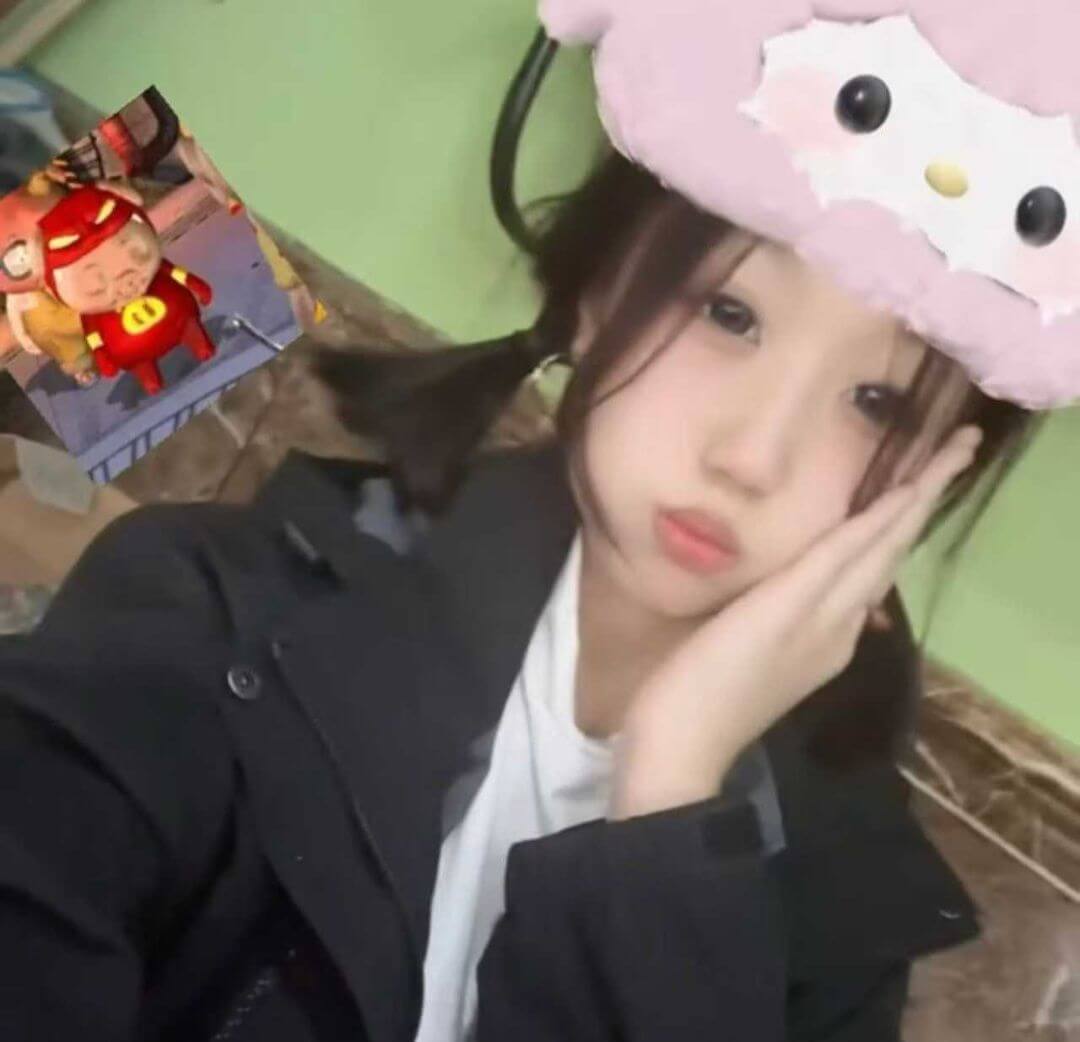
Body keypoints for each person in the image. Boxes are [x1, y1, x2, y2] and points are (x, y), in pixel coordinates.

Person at [0, 2, 1070, 1040]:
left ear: (941, 469)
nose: (753, 457)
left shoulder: (843, 915)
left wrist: (672, 798)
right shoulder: (215, 616)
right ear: (598, 296)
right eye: (730, 313)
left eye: (879, 401)